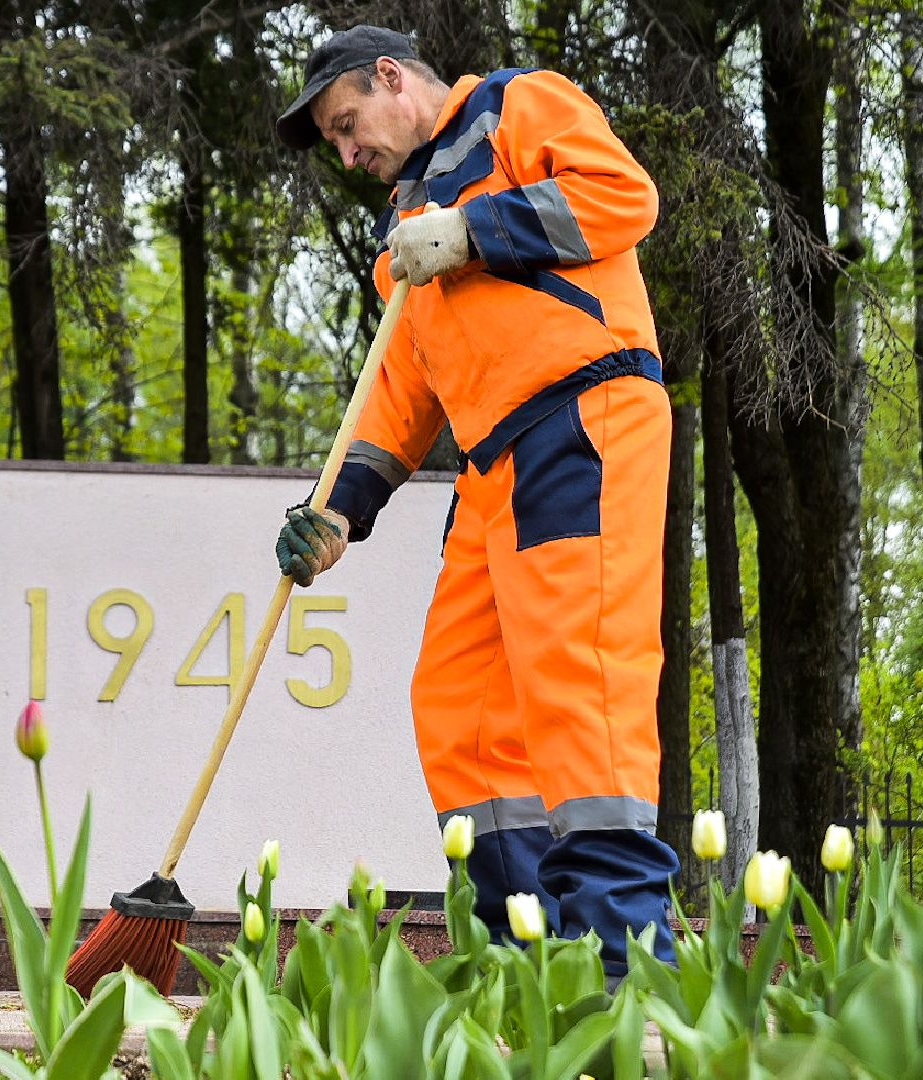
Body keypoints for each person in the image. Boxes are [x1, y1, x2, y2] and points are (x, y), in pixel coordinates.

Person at [273, 24, 678, 979]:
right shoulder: (404, 235)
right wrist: (335, 509)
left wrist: (470, 233)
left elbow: (623, 197)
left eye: (346, 125)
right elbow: (399, 394)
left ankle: (621, 961)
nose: (347, 153)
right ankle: (521, 953)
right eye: (333, 143)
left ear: (390, 77)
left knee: (580, 676)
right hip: (489, 465)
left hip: (581, 418)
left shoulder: (516, 105)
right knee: (459, 703)